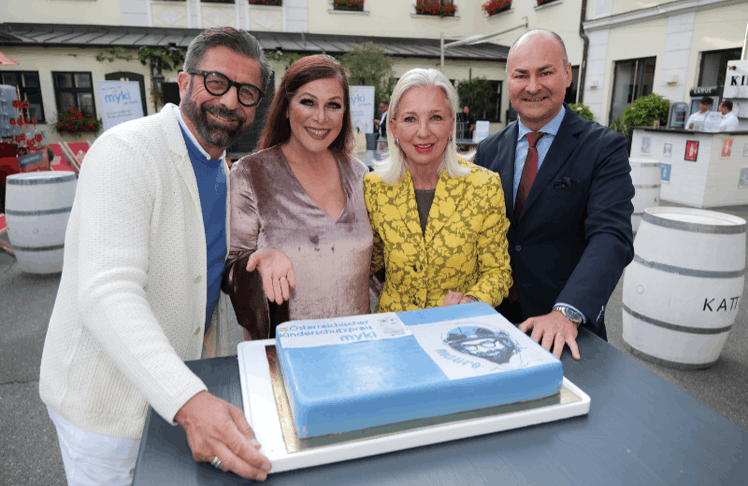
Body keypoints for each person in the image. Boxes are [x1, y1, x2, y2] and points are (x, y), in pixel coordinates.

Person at [39, 27, 273, 484]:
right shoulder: (127, 151)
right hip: (108, 412)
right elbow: (108, 291)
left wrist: (247, 263)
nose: (231, 101)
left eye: (247, 92)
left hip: (172, 396)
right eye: (217, 82)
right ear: (184, 83)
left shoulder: (218, 168)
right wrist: (190, 401)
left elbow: (193, 266)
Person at [474, 29, 635, 360]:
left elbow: (611, 235)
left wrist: (568, 311)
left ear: (567, 74)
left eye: (545, 72)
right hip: (492, 328)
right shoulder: (489, 151)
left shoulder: (604, 148)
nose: (533, 86)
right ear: (509, 81)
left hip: (566, 332)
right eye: (521, 75)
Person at [225, 55, 373, 340]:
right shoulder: (251, 174)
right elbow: (230, 269)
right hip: (286, 356)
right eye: (308, 102)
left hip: (358, 350)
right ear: (285, 108)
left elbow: (377, 269)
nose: (321, 117)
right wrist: (258, 260)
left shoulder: (359, 174)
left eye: (333, 105)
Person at [364, 68, 512, 313]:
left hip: (455, 333)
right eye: (410, 119)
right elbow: (366, 261)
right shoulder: (374, 187)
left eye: (436, 118)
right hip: (393, 334)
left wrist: (470, 302)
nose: (423, 132)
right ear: (394, 126)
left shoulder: (484, 186)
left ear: (451, 123)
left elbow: (497, 272)